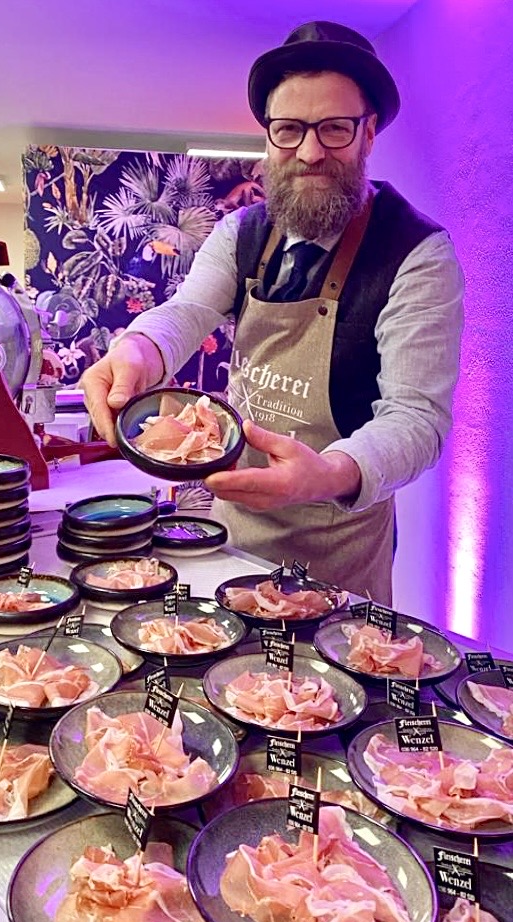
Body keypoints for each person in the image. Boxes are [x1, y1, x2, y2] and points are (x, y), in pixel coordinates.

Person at [81, 20, 464, 604]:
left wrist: (330, 473)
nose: (309, 153)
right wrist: (138, 348)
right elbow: (187, 309)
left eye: (334, 129)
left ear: (368, 134)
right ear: (268, 136)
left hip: (340, 552)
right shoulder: (242, 232)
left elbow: (417, 419)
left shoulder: (417, 253)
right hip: (235, 537)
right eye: (289, 130)